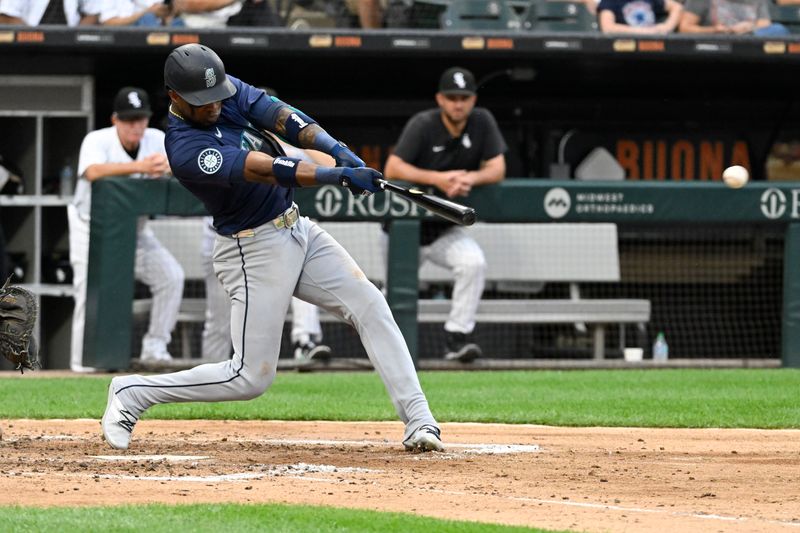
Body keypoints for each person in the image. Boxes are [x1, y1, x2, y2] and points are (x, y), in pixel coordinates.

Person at [101, 43, 443, 453]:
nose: (215, 105)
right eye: (203, 101)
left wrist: (337, 150)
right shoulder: (184, 149)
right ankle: (133, 392)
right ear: (175, 97)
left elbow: (282, 117)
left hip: (298, 228)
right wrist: (333, 176)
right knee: (249, 378)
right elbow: (262, 169)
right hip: (252, 249)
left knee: (370, 304)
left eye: (217, 96)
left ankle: (420, 420)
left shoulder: (223, 90)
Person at [383, 66, 506, 363]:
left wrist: (470, 179)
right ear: (440, 99)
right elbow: (393, 169)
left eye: (464, 97)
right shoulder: (423, 124)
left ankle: (457, 337)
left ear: (473, 100)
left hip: (442, 229)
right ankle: (384, 351)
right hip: (404, 231)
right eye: (452, 97)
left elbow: (497, 168)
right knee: (389, 296)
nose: (458, 104)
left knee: (473, 263)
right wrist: (436, 178)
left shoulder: (482, 121)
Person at [69, 86, 185, 373]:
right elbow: (93, 172)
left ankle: (155, 347)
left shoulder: (156, 139)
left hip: (136, 231)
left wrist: (167, 167)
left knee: (172, 277)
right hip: (91, 230)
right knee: (87, 293)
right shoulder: (97, 140)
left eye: (141, 119)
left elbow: (181, 164)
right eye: (129, 120)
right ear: (115, 120)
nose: (136, 126)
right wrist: (142, 166)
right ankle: (82, 365)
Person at [678, 0, 789, 36]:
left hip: (750, 41)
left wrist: (749, 28)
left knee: (778, 30)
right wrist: (714, 30)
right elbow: (685, 28)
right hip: (716, 42)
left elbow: (765, 24)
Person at [598, 0, 683, 34]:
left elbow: (677, 7)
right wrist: (644, 31)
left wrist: (667, 27)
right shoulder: (610, 1)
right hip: (625, 46)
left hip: (653, 46)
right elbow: (608, 27)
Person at [0, 0, 101, 25]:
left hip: (72, 52)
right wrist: (34, 37)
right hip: (27, 50)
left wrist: (76, 38)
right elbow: (6, 16)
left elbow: (93, 14)